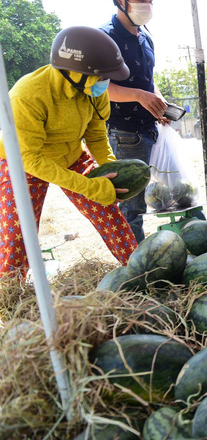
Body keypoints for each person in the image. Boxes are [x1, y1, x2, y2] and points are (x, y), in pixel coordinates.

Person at [0, 27, 137, 278]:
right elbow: (29, 157)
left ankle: (140, 271)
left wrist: (114, 171)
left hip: (71, 154)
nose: (107, 83)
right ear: (78, 74)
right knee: (17, 233)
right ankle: (10, 296)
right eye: (102, 77)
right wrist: (87, 185)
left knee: (109, 212)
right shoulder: (27, 96)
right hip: (23, 161)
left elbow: (96, 135)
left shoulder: (93, 92)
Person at [101, 0, 169, 242]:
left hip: (147, 128)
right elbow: (100, 87)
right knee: (131, 206)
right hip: (124, 132)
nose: (147, 6)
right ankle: (133, 262)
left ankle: (136, 254)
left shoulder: (146, 36)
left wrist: (158, 101)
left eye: (150, 1)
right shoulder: (105, 38)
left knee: (138, 203)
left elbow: (147, 79)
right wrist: (140, 97)